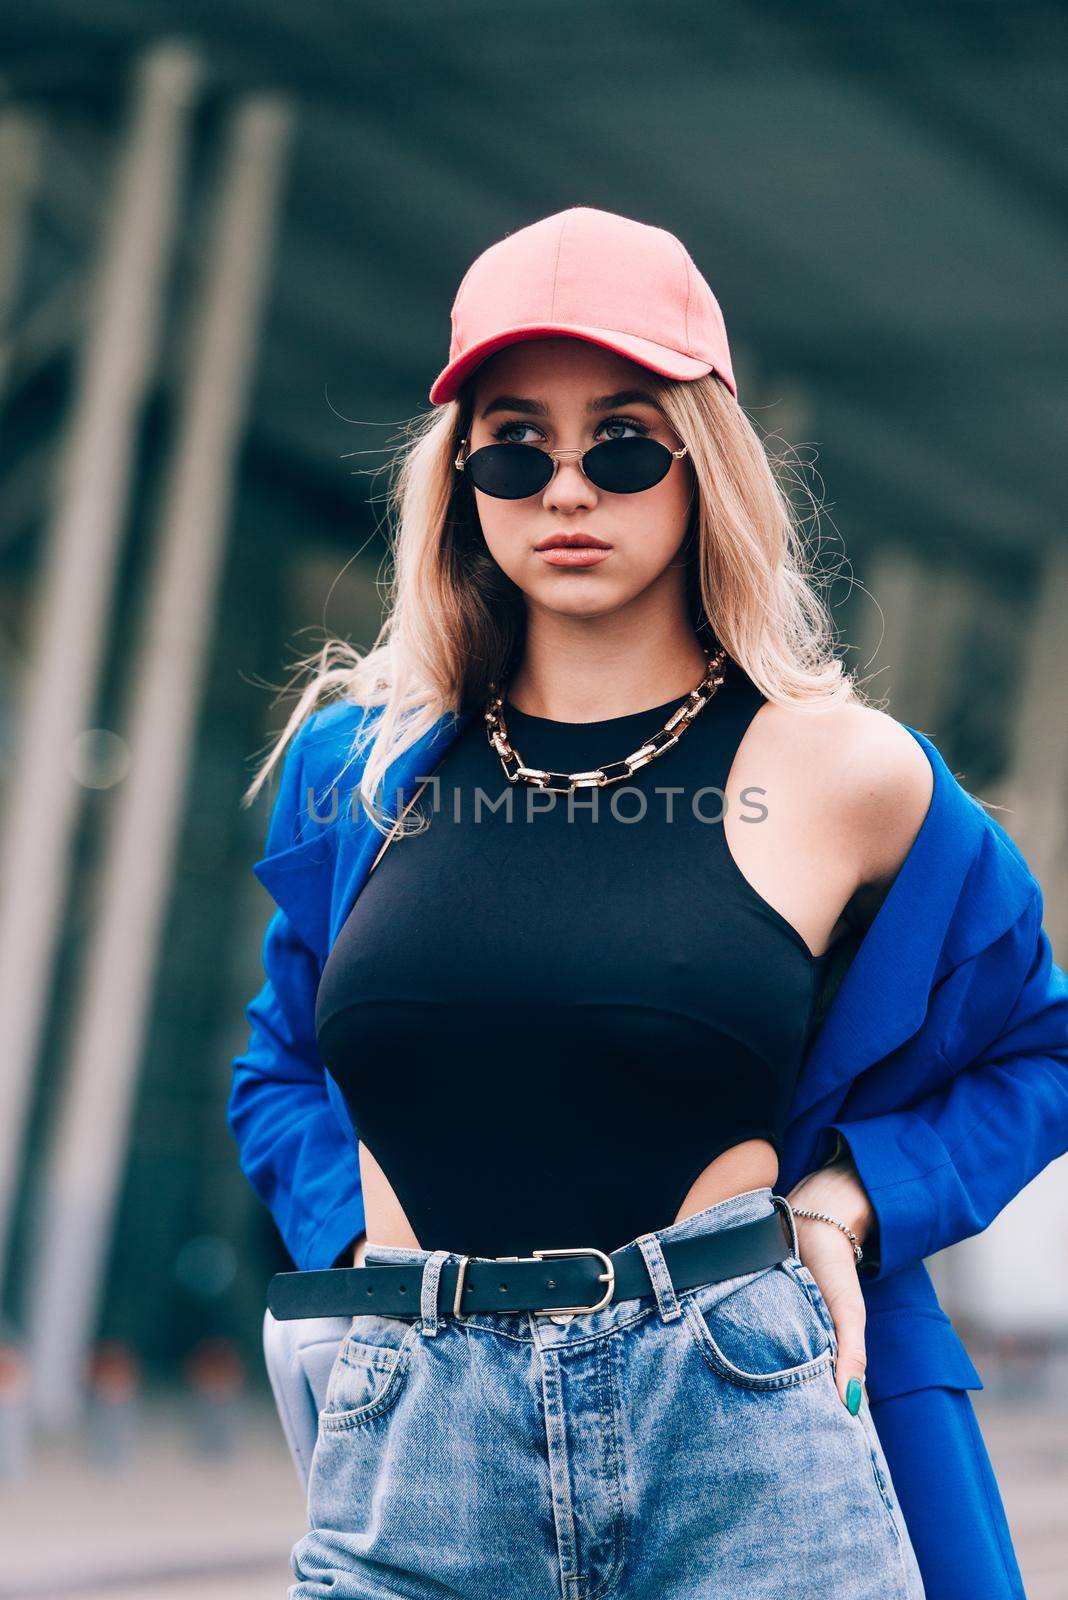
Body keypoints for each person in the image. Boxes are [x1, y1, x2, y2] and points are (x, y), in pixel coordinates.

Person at [230, 207, 1068, 1598]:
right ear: (462, 476)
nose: (567, 489)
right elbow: (281, 1071)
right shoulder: (355, 771)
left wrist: (851, 1203)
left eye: (622, 444)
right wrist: (365, 1254)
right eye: (514, 444)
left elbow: (1037, 1048)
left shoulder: (847, 773)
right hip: (419, 1438)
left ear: (703, 469)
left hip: (739, 1419)